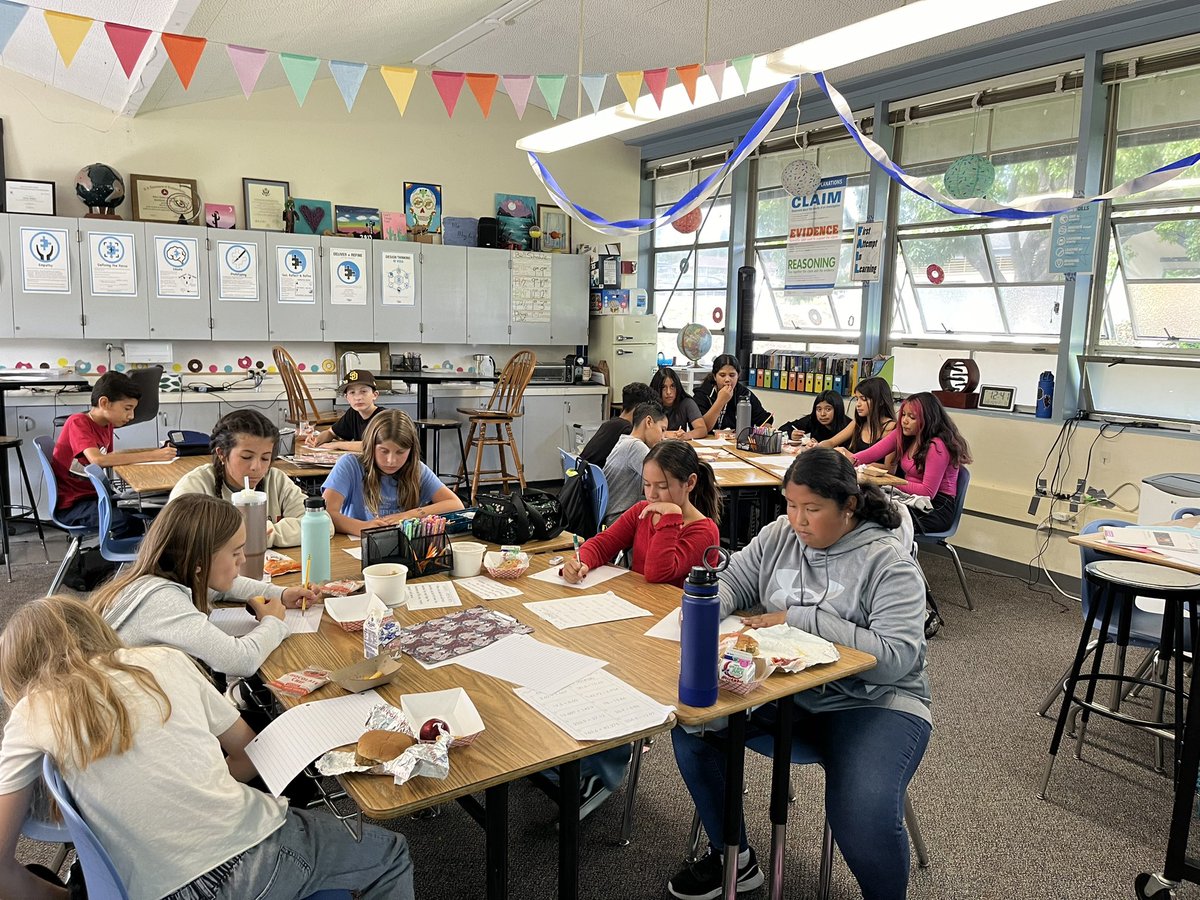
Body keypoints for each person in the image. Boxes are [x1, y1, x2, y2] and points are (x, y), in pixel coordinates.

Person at [0, 596, 414, 900]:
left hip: (146, 888)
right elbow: (249, 752)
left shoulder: (28, 715)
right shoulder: (162, 661)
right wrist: (199, 781)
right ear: (96, 629)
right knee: (391, 853)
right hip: (254, 861)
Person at [667, 448, 929, 900]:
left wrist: (798, 618)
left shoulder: (889, 564)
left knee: (861, 809)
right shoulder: (779, 536)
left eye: (812, 509)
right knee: (694, 725)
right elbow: (735, 580)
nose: (798, 520)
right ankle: (735, 857)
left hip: (872, 702)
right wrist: (710, 607)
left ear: (848, 506)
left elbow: (896, 658)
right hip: (789, 693)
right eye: (790, 505)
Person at [90, 494, 319, 679]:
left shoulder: (166, 577)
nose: (243, 560)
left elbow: (226, 587)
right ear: (200, 561)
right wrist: (274, 622)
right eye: (235, 553)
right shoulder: (162, 602)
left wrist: (281, 594)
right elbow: (239, 660)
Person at [565, 440, 722, 589]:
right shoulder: (643, 511)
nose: (652, 494)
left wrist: (671, 516)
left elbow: (657, 573)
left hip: (675, 611)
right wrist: (581, 562)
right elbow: (602, 544)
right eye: (647, 484)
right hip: (640, 601)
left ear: (690, 483)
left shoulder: (704, 531)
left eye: (662, 486)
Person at [169, 409, 331, 548]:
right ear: (221, 454)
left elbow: (324, 526)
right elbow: (181, 537)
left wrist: (263, 534)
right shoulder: (196, 486)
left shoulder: (276, 480)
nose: (256, 467)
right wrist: (250, 535)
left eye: (265, 458)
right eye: (246, 457)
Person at [50, 371, 176, 535]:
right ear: (105, 403)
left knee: (157, 510)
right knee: (132, 522)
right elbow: (98, 460)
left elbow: (110, 459)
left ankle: (153, 556)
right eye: (127, 408)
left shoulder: (106, 425)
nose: (131, 416)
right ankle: (130, 559)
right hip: (74, 505)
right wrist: (153, 455)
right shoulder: (78, 422)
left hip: (94, 496)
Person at [845, 391, 972, 536]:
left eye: (912, 417)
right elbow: (872, 453)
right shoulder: (905, 433)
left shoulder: (936, 446)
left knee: (877, 520)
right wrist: (846, 461)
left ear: (928, 420)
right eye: (904, 414)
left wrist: (889, 481)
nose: (904, 420)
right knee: (861, 508)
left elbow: (927, 492)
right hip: (910, 497)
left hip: (935, 507)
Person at [322, 409, 463, 536]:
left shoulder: (417, 469)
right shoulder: (350, 465)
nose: (391, 461)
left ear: (411, 451)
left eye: (400, 452)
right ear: (371, 446)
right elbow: (325, 514)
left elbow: (456, 504)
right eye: (384, 451)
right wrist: (363, 528)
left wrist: (408, 515)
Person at [600, 401, 669, 525]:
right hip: (618, 518)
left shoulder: (624, 441)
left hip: (611, 513)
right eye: (662, 429)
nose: (663, 437)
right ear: (649, 422)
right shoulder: (636, 447)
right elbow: (665, 479)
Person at [821, 376, 897, 471]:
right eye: (857, 399)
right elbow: (832, 442)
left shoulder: (892, 428)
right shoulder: (859, 423)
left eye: (863, 399)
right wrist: (816, 448)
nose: (858, 404)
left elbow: (889, 470)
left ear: (881, 401)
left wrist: (850, 456)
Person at [579, 381, 656, 467]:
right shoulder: (627, 431)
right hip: (600, 478)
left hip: (585, 476)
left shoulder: (611, 424)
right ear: (639, 409)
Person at [307, 369, 383, 452]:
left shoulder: (383, 417)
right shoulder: (353, 413)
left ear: (375, 395)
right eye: (352, 392)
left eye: (363, 391)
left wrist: (337, 445)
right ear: (346, 398)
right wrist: (317, 440)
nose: (358, 398)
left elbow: (373, 446)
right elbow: (331, 432)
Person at [694, 355, 771, 433]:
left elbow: (765, 421)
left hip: (736, 442)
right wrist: (720, 401)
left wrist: (763, 431)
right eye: (722, 375)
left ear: (738, 376)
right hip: (708, 442)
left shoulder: (745, 394)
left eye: (732, 375)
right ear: (714, 376)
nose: (727, 379)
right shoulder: (702, 395)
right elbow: (702, 429)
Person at [650, 366, 707, 439]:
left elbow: (702, 429)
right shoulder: (650, 405)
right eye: (663, 387)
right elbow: (642, 431)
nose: (668, 392)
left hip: (678, 446)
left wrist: (685, 435)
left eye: (672, 386)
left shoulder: (686, 402)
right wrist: (666, 433)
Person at [780, 389, 852, 443]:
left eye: (828, 409)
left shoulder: (850, 426)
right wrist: (791, 434)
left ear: (837, 409)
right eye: (819, 409)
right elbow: (784, 428)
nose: (822, 414)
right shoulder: (813, 420)